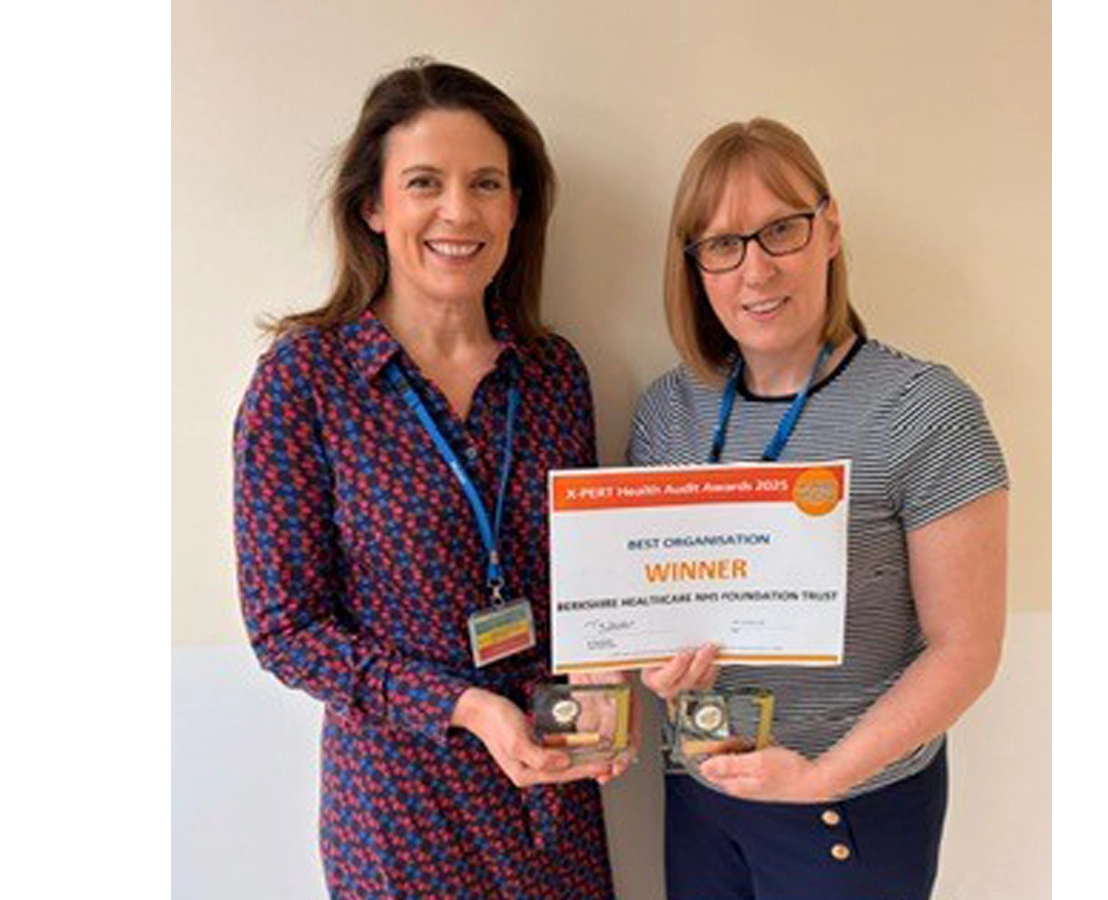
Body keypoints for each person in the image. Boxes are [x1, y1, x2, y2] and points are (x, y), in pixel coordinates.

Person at [234, 60, 621, 899]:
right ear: (372, 207)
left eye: (487, 183)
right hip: (401, 810)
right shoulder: (304, 382)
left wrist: (604, 691)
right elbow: (285, 628)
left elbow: (593, 588)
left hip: (552, 795)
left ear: (517, 208)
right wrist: (464, 706)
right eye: (424, 183)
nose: (459, 211)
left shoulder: (554, 375)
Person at [629, 118, 1009, 900]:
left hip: (852, 806)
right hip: (701, 799)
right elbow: (647, 612)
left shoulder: (924, 409)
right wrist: (651, 665)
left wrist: (821, 777)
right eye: (723, 244)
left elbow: (965, 649)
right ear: (697, 265)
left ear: (830, 230)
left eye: (781, 231)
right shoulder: (669, 412)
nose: (755, 270)